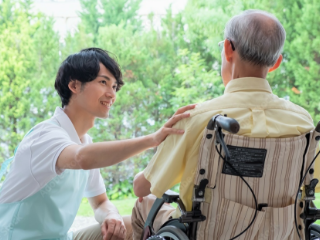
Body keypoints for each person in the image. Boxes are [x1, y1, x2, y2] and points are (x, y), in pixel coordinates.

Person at [132, 9, 316, 239]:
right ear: (276, 62)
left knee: (144, 202)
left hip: (206, 233)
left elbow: (141, 188)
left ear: (228, 49)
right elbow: (313, 185)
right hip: (283, 234)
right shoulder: (302, 122)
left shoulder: (199, 117)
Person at [0, 48, 195, 240]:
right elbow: (81, 158)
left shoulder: (84, 141)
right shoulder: (46, 136)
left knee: (137, 222)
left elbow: (100, 202)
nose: (112, 94)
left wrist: (111, 216)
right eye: (103, 82)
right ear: (74, 86)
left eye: (114, 87)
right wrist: (153, 139)